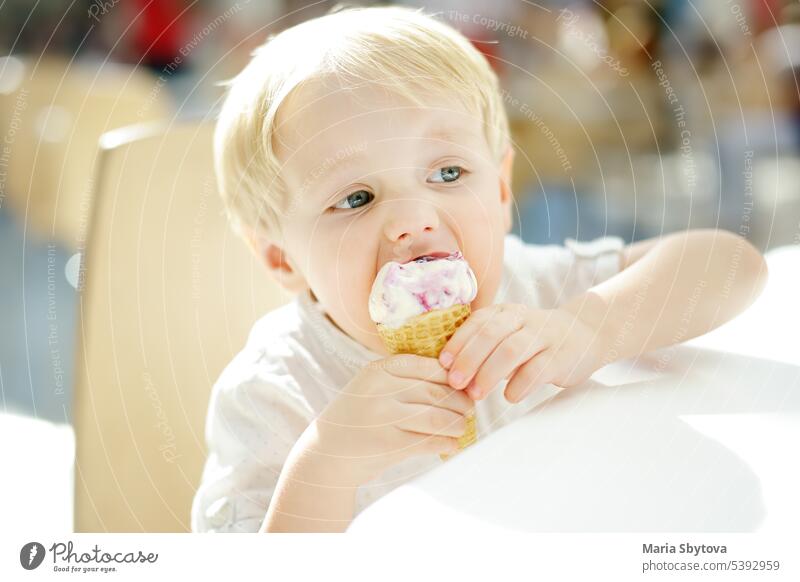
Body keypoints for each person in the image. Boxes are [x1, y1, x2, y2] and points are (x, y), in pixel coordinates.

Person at [192, 5, 767, 533]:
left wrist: (589, 327)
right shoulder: (272, 394)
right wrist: (324, 464)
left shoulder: (534, 294)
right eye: (357, 198)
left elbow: (731, 266)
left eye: (446, 174)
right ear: (280, 257)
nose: (414, 220)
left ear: (499, 189)